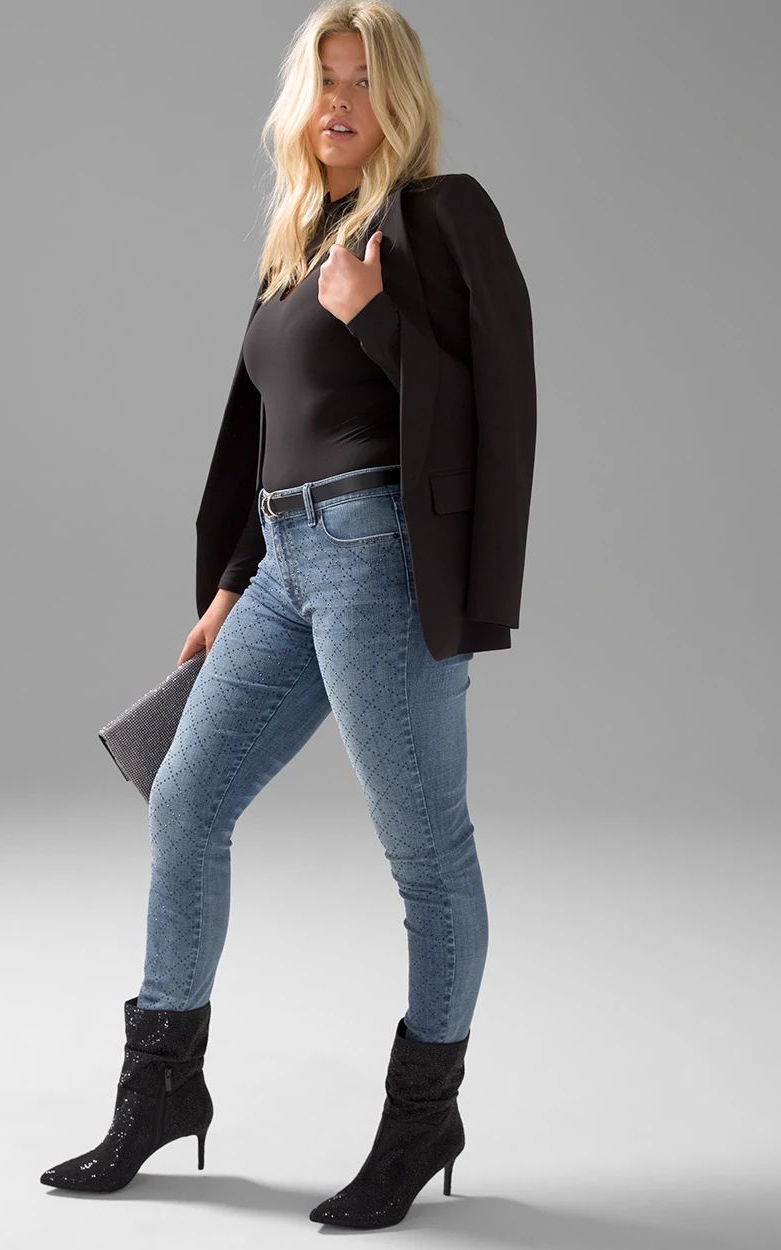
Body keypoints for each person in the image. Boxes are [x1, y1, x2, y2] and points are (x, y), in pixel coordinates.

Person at [41, 1, 536, 1228]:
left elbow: (497, 395)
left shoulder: (438, 214)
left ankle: (422, 1113)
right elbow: (263, 428)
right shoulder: (298, 235)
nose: (338, 103)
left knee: (425, 852)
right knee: (185, 798)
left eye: (361, 81)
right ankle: (163, 1086)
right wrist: (228, 585)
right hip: (283, 557)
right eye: (323, 81)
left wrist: (375, 315)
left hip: (379, 555)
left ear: (397, 98)